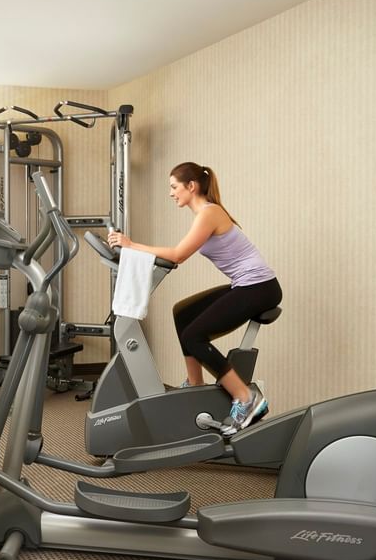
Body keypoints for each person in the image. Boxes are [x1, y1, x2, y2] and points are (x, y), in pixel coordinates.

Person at [107, 162, 282, 434]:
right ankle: (195, 383)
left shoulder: (209, 213)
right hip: (247, 285)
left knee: (193, 336)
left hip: (259, 288)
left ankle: (247, 399)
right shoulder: (203, 214)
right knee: (183, 313)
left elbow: (178, 254)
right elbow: (177, 253)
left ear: (191, 186)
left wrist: (131, 245)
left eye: (174, 187)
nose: (171, 193)